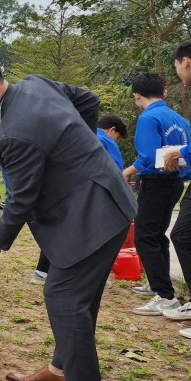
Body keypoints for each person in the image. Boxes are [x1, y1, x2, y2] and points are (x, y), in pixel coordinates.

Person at [0, 52, 136, 381]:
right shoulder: (34, 83)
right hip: (101, 201)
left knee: (63, 295)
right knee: (77, 298)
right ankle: (62, 370)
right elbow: (89, 101)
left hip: (94, 213)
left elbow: (21, 198)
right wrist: (78, 149)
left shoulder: (15, 133)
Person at [123, 73, 190, 316]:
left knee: (145, 237)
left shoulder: (148, 117)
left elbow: (148, 158)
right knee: (157, 235)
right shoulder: (180, 119)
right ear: (163, 93)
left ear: (137, 95)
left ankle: (165, 296)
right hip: (174, 183)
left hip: (156, 183)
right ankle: (158, 284)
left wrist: (126, 172)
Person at [34, 114, 127, 281]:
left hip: (61, 190)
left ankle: (42, 271)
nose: (116, 139)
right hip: (90, 195)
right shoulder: (105, 140)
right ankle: (85, 276)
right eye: (117, 136)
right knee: (90, 235)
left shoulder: (78, 132)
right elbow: (116, 170)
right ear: (112, 130)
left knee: (60, 230)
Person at [155, 39, 191, 339]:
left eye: (177, 67)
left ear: (186, 62)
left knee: (182, 234)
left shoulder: (150, 117)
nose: (179, 73)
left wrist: (180, 154)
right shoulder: (176, 113)